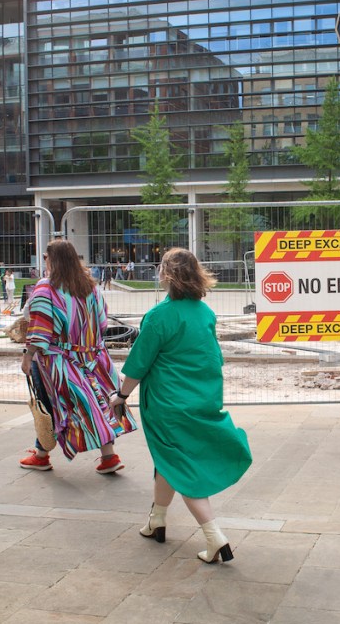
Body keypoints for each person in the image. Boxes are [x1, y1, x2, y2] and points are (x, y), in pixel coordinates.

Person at [109, 248, 252, 564]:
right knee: (169, 460)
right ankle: (157, 520)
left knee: (183, 467)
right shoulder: (205, 313)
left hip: (166, 404)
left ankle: (215, 537)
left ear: (167, 274)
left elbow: (139, 363)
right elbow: (213, 359)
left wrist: (121, 395)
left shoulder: (159, 316)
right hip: (200, 399)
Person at [19, 239, 136, 473]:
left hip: (58, 361)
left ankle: (42, 455)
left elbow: (40, 328)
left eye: (46, 257)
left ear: (52, 260)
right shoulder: (89, 287)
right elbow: (102, 323)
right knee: (98, 402)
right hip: (93, 358)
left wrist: (27, 355)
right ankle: (108, 456)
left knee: (51, 404)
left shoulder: (46, 288)